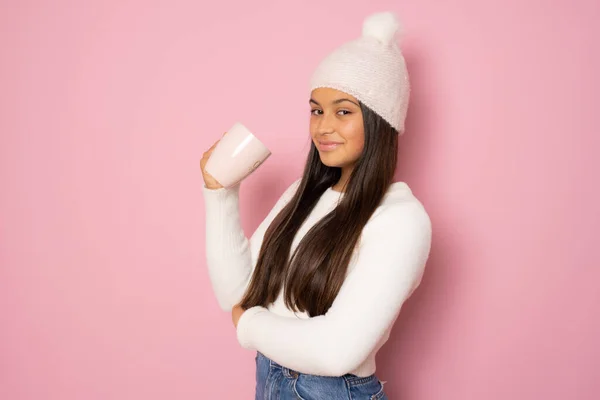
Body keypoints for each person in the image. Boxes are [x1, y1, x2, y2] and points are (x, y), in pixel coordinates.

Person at [200, 11, 431, 400]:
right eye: (316, 110)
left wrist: (249, 324)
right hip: (271, 380)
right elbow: (236, 291)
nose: (323, 127)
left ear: (380, 121)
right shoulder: (302, 195)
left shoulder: (401, 220)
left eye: (343, 111)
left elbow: (337, 351)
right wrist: (219, 191)